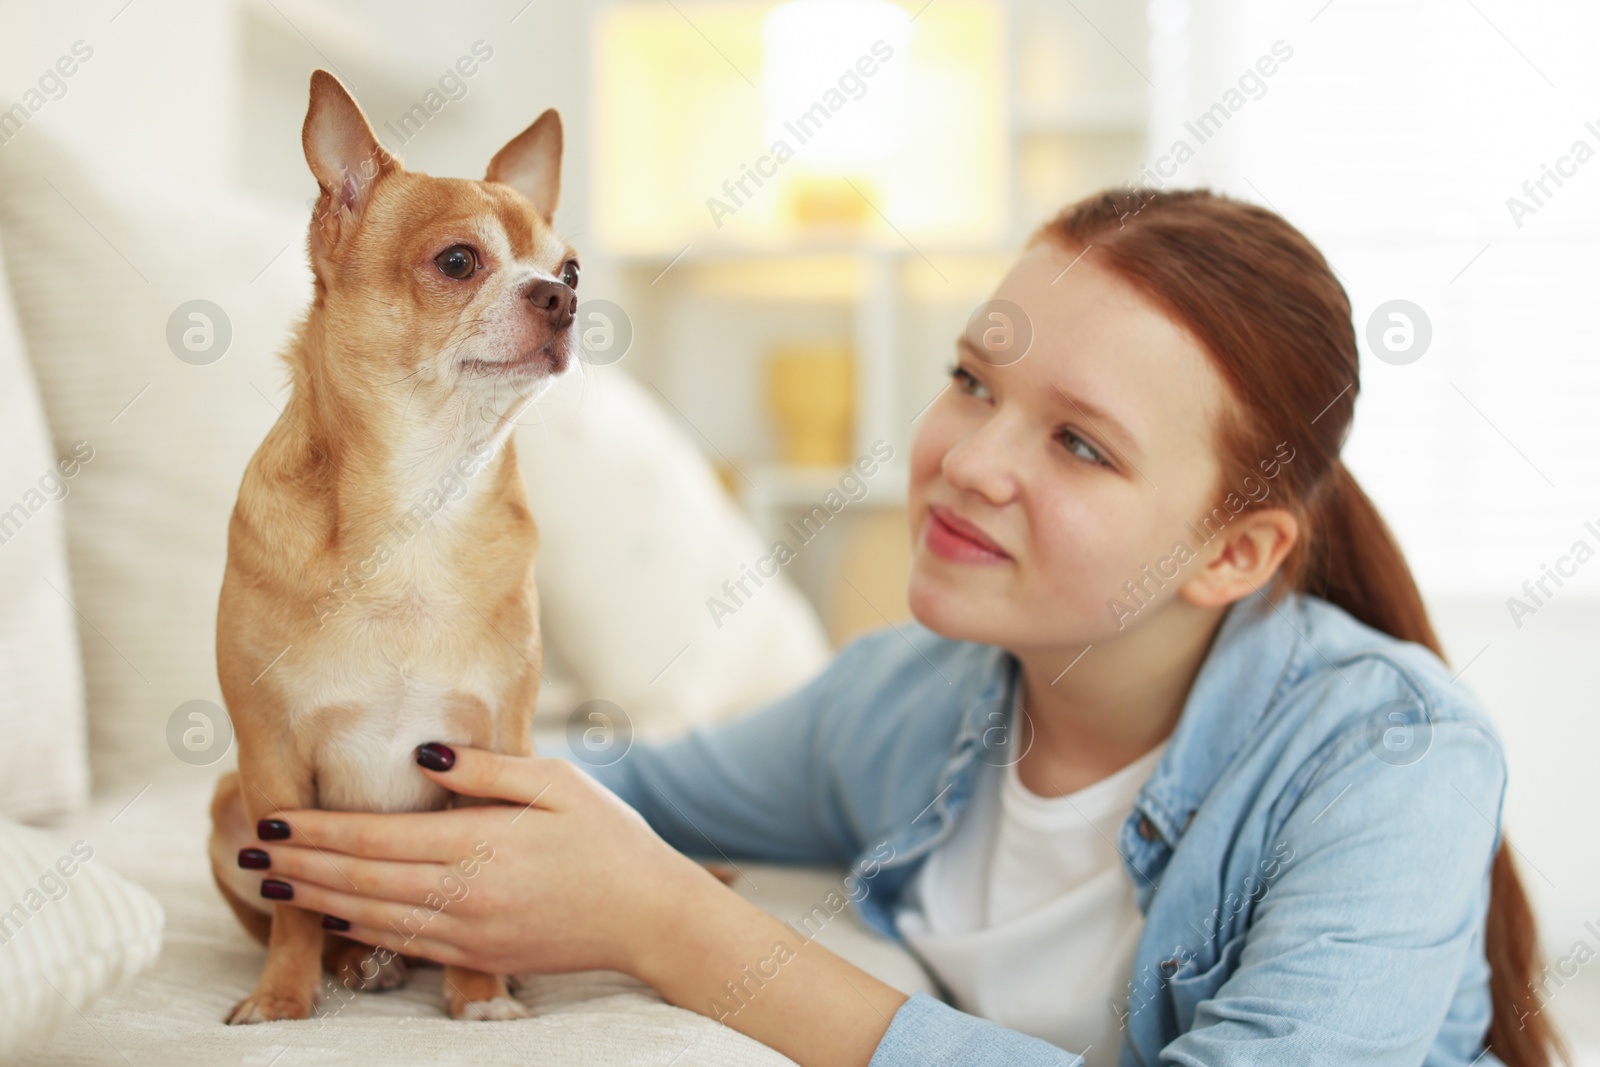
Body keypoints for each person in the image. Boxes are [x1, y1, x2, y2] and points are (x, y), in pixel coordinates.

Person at [228, 189, 1566, 1066]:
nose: (972, 460)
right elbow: (610, 797)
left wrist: (680, 932)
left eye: (1081, 445)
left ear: (1236, 552)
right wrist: (307, 823)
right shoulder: (905, 703)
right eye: (972, 381)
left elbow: (650, 891)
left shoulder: (1392, 758)